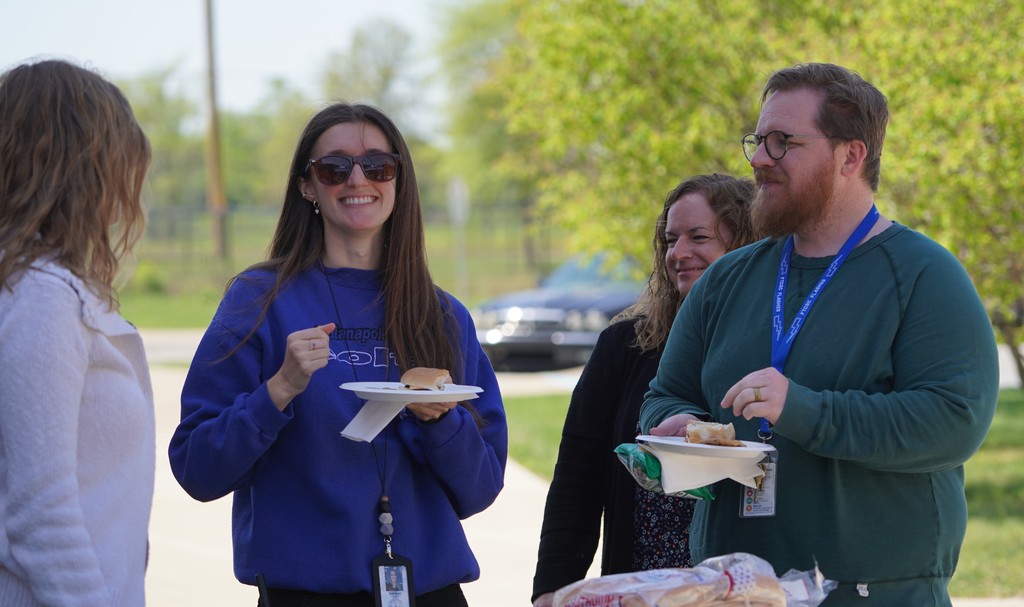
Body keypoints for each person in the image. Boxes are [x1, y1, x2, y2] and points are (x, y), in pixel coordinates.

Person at [640, 62, 999, 605]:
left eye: (783, 142)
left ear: (850, 156)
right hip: (734, 590)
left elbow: (955, 422)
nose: (760, 160)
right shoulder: (726, 279)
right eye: (758, 141)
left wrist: (804, 410)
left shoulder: (924, 275)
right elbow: (665, 395)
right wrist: (677, 427)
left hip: (874, 593)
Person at [168, 102, 507, 607]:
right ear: (308, 186)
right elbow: (198, 468)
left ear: (398, 180)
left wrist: (440, 423)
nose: (357, 179)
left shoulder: (442, 315)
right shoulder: (259, 300)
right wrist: (278, 390)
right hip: (303, 593)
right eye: (334, 167)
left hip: (429, 590)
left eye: (377, 165)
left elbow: (479, 488)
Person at [532, 174, 758, 606]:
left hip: (740, 590)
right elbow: (577, 478)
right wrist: (552, 590)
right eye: (671, 240)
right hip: (643, 588)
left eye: (698, 237)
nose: (679, 253)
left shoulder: (776, 348)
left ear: (746, 244)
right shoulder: (626, 346)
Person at [0, 59, 154, 604]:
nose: (125, 188)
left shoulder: (43, 285)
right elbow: (40, 513)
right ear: (81, 167)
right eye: (119, 163)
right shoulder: (39, 295)